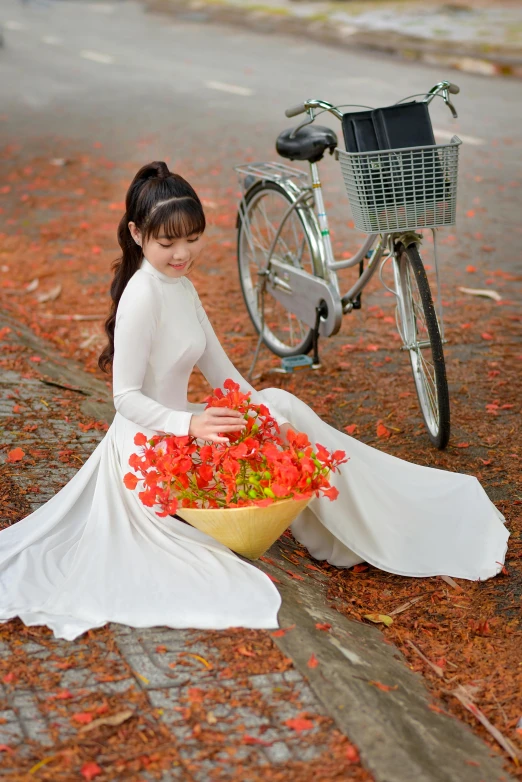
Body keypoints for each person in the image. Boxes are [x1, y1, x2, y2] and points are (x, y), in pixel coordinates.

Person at [0, 162, 508, 641]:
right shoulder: (142, 296)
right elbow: (125, 399)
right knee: (278, 414)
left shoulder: (181, 286)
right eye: (167, 242)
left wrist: (264, 418)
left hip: (189, 428)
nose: (182, 254)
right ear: (137, 235)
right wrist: (190, 424)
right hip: (150, 452)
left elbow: (222, 371)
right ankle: (350, 523)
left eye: (192, 240)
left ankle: (360, 520)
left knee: (281, 406)